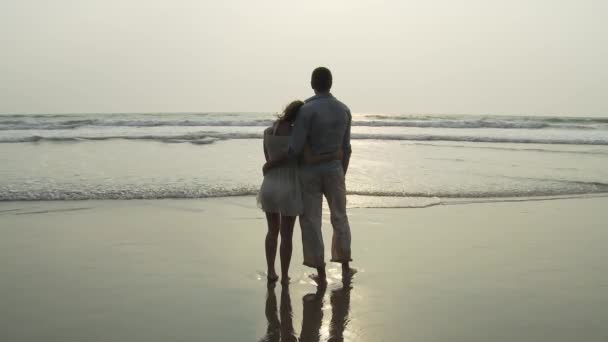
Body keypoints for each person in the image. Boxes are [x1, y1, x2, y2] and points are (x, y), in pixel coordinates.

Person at [258, 101, 340, 284]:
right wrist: (333, 155)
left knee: (272, 231)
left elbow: (268, 158)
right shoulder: (298, 134)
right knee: (286, 235)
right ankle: (285, 276)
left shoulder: (268, 132)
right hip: (290, 186)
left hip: (270, 185)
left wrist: (271, 164)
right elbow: (305, 159)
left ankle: (271, 271)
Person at [288, 66, 354, 285]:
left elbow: (296, 147)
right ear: (331, 83)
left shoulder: (307, 110)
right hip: (335, 168)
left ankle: (321, 271)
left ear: (312, 84)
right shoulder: (343, 109)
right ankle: (345, 263)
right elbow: (347, 148)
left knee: (311, 220)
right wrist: (341, 171)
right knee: (339, 216)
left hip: (310, 171)